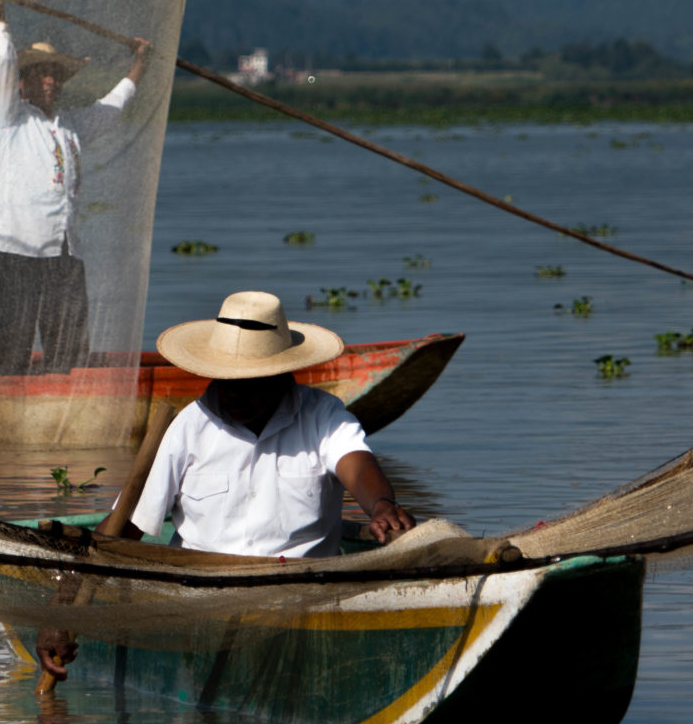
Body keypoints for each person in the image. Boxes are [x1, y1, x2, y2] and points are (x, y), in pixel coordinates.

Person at [34, 290, 415, 683]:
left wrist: (382, 505)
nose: (236, 393)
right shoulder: (188, 427)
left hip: (303, 600)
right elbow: (123, 530)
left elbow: (356, 463)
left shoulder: (323, 416)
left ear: (284, 373)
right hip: (198, 604)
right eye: (228, 380)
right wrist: (61, 611)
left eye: (251, 382)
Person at [0, 0, 149, 376]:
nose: (50, 80)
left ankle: (64, 393)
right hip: (20, 247)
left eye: (54, 74)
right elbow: (3, 65)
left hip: (65, 249)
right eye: (40, 74)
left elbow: (110, 109)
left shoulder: (69, 126)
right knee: (12, 342)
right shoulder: (8, 119)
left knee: (69, 345)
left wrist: (139, 65)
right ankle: (2, 397)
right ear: (24, 82)